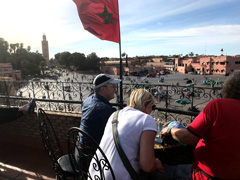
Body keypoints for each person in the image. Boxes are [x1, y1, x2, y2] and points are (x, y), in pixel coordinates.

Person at [160, 70, 240, 180]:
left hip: (205, 175)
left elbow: (188, 138)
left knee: (162, 168)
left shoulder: (217, 106)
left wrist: (169, 130)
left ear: (229, 87)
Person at [89, 89, 168, 180]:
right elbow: (147, 167)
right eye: (152, 106)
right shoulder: (147, 119)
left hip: (95, 173)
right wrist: (154, 163)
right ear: (146, 104)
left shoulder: (115, 115)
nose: (152, 110)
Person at [80, 74, 121, 145]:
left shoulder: (87, 101)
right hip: (94, 152)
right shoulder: (104, 109)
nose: (115, 90)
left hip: (79, 149)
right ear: (103, 89)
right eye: (113, 87)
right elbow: (115, 134)